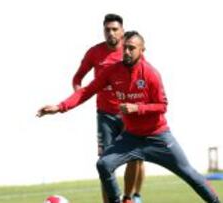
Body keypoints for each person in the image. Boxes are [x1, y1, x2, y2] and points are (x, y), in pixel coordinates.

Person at [37, 31, 221, 203]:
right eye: (125, 47)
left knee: (189, 173)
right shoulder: (111, 71)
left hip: (157, 137)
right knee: (104, 164)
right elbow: (87, 91)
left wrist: (137, 108)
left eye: (132, 48)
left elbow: (162, 106)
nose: (126, 51)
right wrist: (60, 107)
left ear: (142, 50)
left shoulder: (151, 74)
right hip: (131, 138)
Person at [73, 13, 144, 203]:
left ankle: (130, 197)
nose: (111, 33)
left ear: (122, 31)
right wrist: (79, 94)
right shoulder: (94, 53)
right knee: (105, 163)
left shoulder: (130, 50)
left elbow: (143, 78)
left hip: (129, 115)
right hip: (105, 115)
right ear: (103, 31)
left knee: (136, 157)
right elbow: (77, 78)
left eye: (115, 29)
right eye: (107, 29)